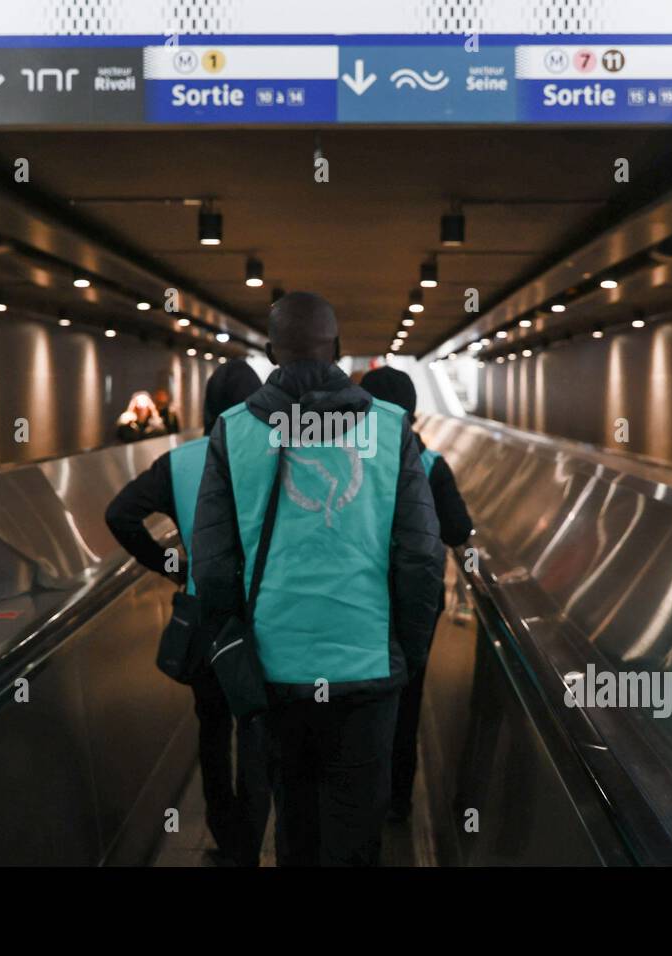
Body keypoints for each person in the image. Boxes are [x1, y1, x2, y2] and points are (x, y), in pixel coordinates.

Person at [192, 292, 444, 867]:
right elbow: (422, 557)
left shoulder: (233, 431)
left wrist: (234, 645)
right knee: (356, 833)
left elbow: (209, 563)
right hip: (367, 672)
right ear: (335, 344)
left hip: (275, 673)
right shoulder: (389, 427)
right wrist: (405, 651)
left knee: (295, 825)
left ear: (271, 350)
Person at [105, 361, 268, 866]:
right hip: (267, 618)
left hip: (206, 619)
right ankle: (254, 838)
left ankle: (226, 835)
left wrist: (172, 565)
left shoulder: (181, 462)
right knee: (260, 729)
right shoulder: (282, 454)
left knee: (213, 726)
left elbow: (120, 514)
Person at [359, 365, 473, 822]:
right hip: (416, 605)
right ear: (413, 413)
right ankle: (397, 802)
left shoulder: (350, 459)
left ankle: (357, 795)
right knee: (406, 701)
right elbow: (457, 528)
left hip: (359, 600)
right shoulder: (430, 465)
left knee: (356, 699)